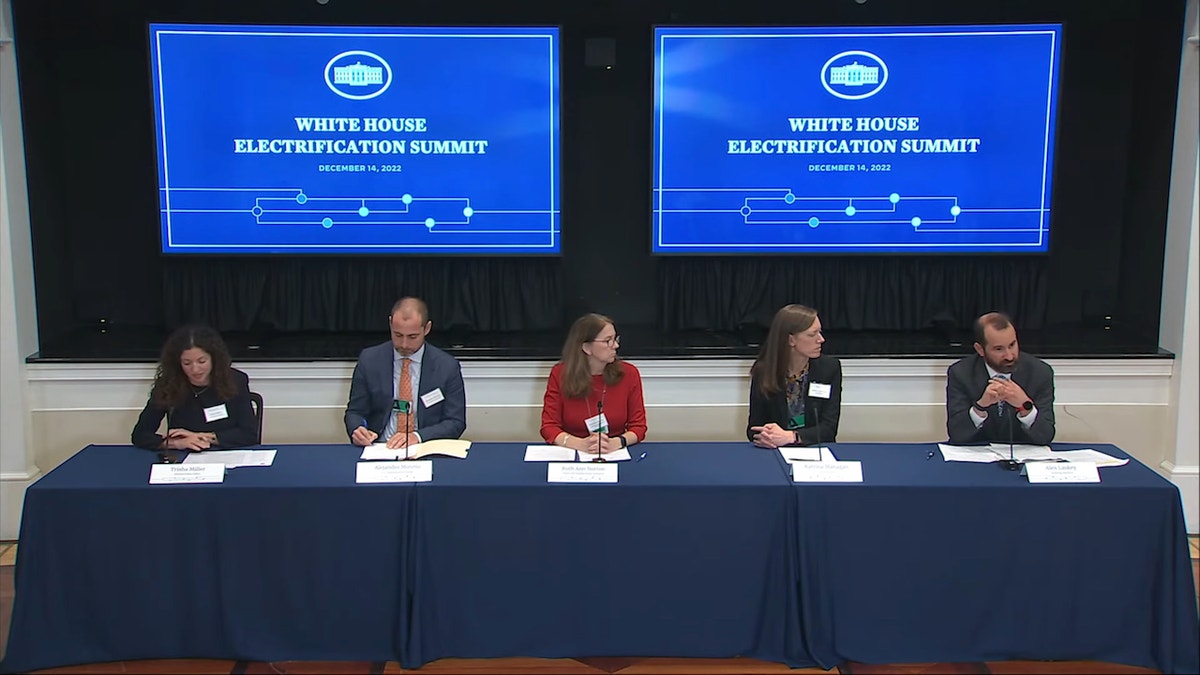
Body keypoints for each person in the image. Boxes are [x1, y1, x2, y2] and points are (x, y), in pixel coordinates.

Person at [344, 297, 466, 448]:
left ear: (426, 329)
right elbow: (355, 412)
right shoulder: (369, 360)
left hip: (423, 447)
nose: (404, 344)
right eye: (398, 335)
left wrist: (418, 436)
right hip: (380, 447)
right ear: (390, 324)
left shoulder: (447, 367)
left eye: (412, 337)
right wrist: (358, 428)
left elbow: (455, 422)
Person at [131, 324, 258, 451]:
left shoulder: (236, 380)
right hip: (184, 459)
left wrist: (202, 437)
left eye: (202, 361)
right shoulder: (168, 384)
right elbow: (140, 435)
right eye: (187, 363)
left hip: (225, 454)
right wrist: (176, 443)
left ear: (214, 359)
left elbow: (249, 434)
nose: (195, 369)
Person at [541, 313, 647, 453]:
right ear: (586, 348)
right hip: (571, 453)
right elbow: (549, 427)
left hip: (614, 452)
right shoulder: (560, 374)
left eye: (615, 339)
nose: (615, 345)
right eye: (607, 341)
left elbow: (639, 427)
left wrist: (617, 442)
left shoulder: (629, 374)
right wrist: (579, 444)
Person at [946, 311, 1055, 445]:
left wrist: (1025, 407)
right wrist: (980, 407)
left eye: (1012, 345)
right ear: (980, 349)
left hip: (1023, 457)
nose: (1009, 356)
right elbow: (957, 434)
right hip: (976, 457)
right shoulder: (961, 373)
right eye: (999, 349)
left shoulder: (1040, 373)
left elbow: (1046, 436)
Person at [747, 304, 842, 447]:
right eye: (812, 334)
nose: (821, 339)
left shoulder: (829, 369)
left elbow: (829, 428)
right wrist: (766, 436)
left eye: (820, 332)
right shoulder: (764, 372)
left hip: (815, 449)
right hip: (776, 450)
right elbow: (754, 428)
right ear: (791, 340)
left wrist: (792, 437)